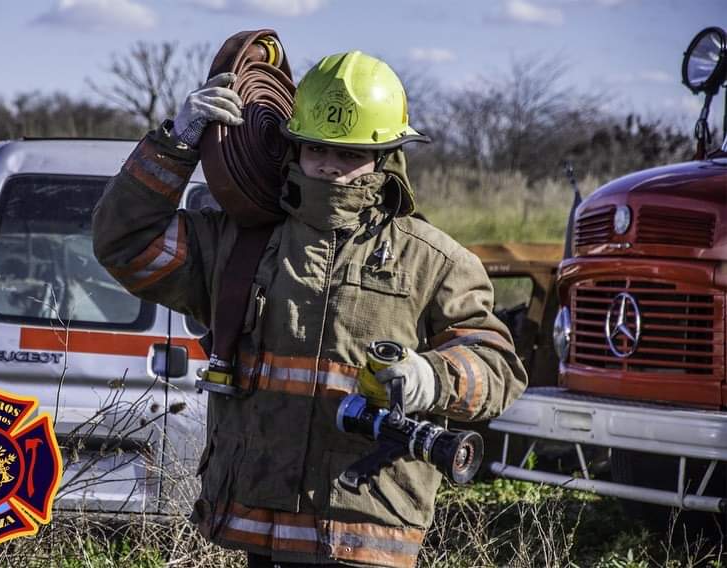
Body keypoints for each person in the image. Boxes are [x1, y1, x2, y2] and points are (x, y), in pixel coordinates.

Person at [93, 51, 527, 568]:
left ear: (386, 155)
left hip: (367, 528)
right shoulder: (236, 244)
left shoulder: (433, 260)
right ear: (292, 147)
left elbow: (498, 365)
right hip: (256, 522)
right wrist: (176, 144)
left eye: (349, 154)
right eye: (317, 148)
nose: (331, 166)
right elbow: (126, 243)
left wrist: (432, 376)